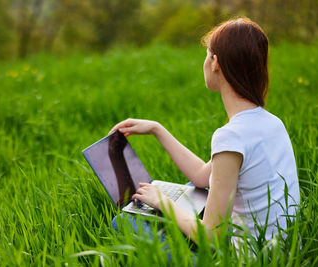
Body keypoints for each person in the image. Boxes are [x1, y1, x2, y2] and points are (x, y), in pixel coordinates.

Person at [109, 18, 300, 248]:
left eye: (207, 53)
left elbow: (211, 237)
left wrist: (163, 202)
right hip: (283, 251)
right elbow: (201, 176)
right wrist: (156, 129)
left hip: (247, 259)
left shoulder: (232, 136)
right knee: (195, 189)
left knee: (123, 222)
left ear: (215, 62)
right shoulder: (272, 123)